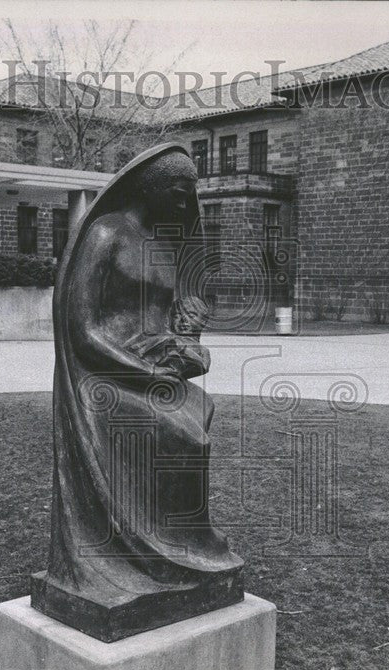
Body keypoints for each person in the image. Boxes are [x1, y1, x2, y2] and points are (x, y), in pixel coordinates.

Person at [32, 144, 244, 641]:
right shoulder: (105, 234)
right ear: (151, 189)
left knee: (199, 408)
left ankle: (183, 542)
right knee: (186, 435)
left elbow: (160, 317)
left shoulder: (156, 243)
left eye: (191, 191)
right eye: (178, 190)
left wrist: (184, 341)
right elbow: (84, 330)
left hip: (150, 370)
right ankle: (165, 553)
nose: (185, 201)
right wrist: (145, 372)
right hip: (102, 381)